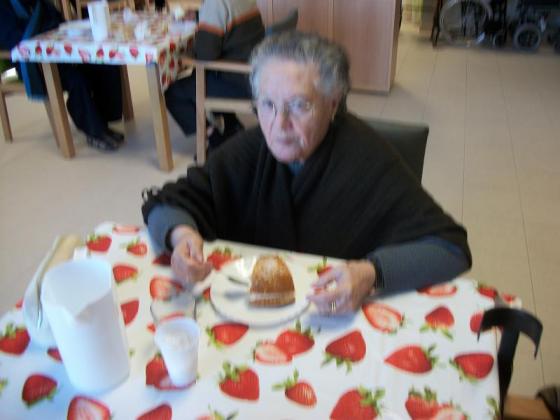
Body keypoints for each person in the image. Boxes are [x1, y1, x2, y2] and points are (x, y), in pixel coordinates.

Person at [142, 31, 472, 316]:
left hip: (332, 314)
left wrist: (372, 273)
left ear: (333, 104)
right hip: (253, 312)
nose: (279, 125)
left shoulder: (366, 157)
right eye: (267, 104)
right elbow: (167, 203)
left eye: (300, 105)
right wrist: (181, 236)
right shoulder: (252, 147)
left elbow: (450, 249)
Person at [0, 0, 124, 151]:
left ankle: (103, 120)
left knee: (103, 63)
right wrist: (46, 30)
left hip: (58, 53)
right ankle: (95, 132)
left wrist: (51, 29)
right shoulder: (4, 6)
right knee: (76, 79)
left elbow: (58, 21)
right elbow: (12, 39)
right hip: (33, 64)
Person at [164, 0, 265, 150]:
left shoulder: (215, 4)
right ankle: (232, 127)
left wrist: (186, 56)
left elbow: (205, 56)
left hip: (239, 80)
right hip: (257, 73)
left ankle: (215, 138)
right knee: (200, 76)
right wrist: (200, 16)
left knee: (174, 93)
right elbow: (229, 18)